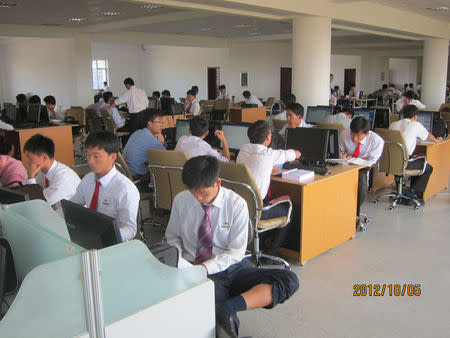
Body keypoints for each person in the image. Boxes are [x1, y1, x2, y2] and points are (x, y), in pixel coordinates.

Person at [166, 155, 299, 336]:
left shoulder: (236, 204)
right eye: (193, 191)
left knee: (289, 279)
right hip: (193, 268)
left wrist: (205, 268)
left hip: (231, 267)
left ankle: (226, 308)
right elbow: (172, 236)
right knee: (218, 327)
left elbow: (236, 252)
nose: (198, 198)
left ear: (218, 182)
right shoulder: (181, 200)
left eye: (203, 193)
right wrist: (179, 261)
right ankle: (224, 313)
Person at [237, 120, 301, 254]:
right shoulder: (269, 154)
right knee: (288, 208)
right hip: (258, 210)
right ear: (268, 137)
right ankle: (272, 251)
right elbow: (296, 153)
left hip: (240, 207)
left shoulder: (243, 149)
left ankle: (258, 246)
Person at [71, 131, 140, 241]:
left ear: (112, 157)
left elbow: (129, 230)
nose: (90, 161)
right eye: (88, 155)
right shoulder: (88, 179)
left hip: (111, 242)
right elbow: (72, 206)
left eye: (96, 156)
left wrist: (105, 236)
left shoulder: (125, 189)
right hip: (88, 236)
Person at [390, 105, 443, 200]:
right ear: (415, 117)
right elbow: (428, 135)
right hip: (405, 162)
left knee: (415, 157)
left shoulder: (393, 124)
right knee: (428, 168)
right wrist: (436, 139)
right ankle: (413, 191)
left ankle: (403, 189)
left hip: (392, 161)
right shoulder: (415, 124)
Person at [339, 117, 384, 226]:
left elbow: (371, 162)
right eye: (352, 134)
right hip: (343, 165)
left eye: (358, 136)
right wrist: (341, 154)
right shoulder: (344, 134)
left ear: (367, 134)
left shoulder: (376, 141)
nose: (354, 139)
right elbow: (339, 150)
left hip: (362, 168)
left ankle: (355, 213)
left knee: (361, 184)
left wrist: (356, 160)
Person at [23, 134, 81, 216]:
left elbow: (37, 205)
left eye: (30, 158)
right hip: (55, 215)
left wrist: (30, 177)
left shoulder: (63, 177)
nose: (28, 162)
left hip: (71, 220)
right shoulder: (42, 172)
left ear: (44, 157)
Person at [122, 108, 165, 190]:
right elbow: (167, 160)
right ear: (150, 124)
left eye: (162, 122)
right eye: (159, 122)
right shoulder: (153, 142)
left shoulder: (137, 133)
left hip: (126, 175)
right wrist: (161, 143)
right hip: (139, 180)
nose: (162, 125)